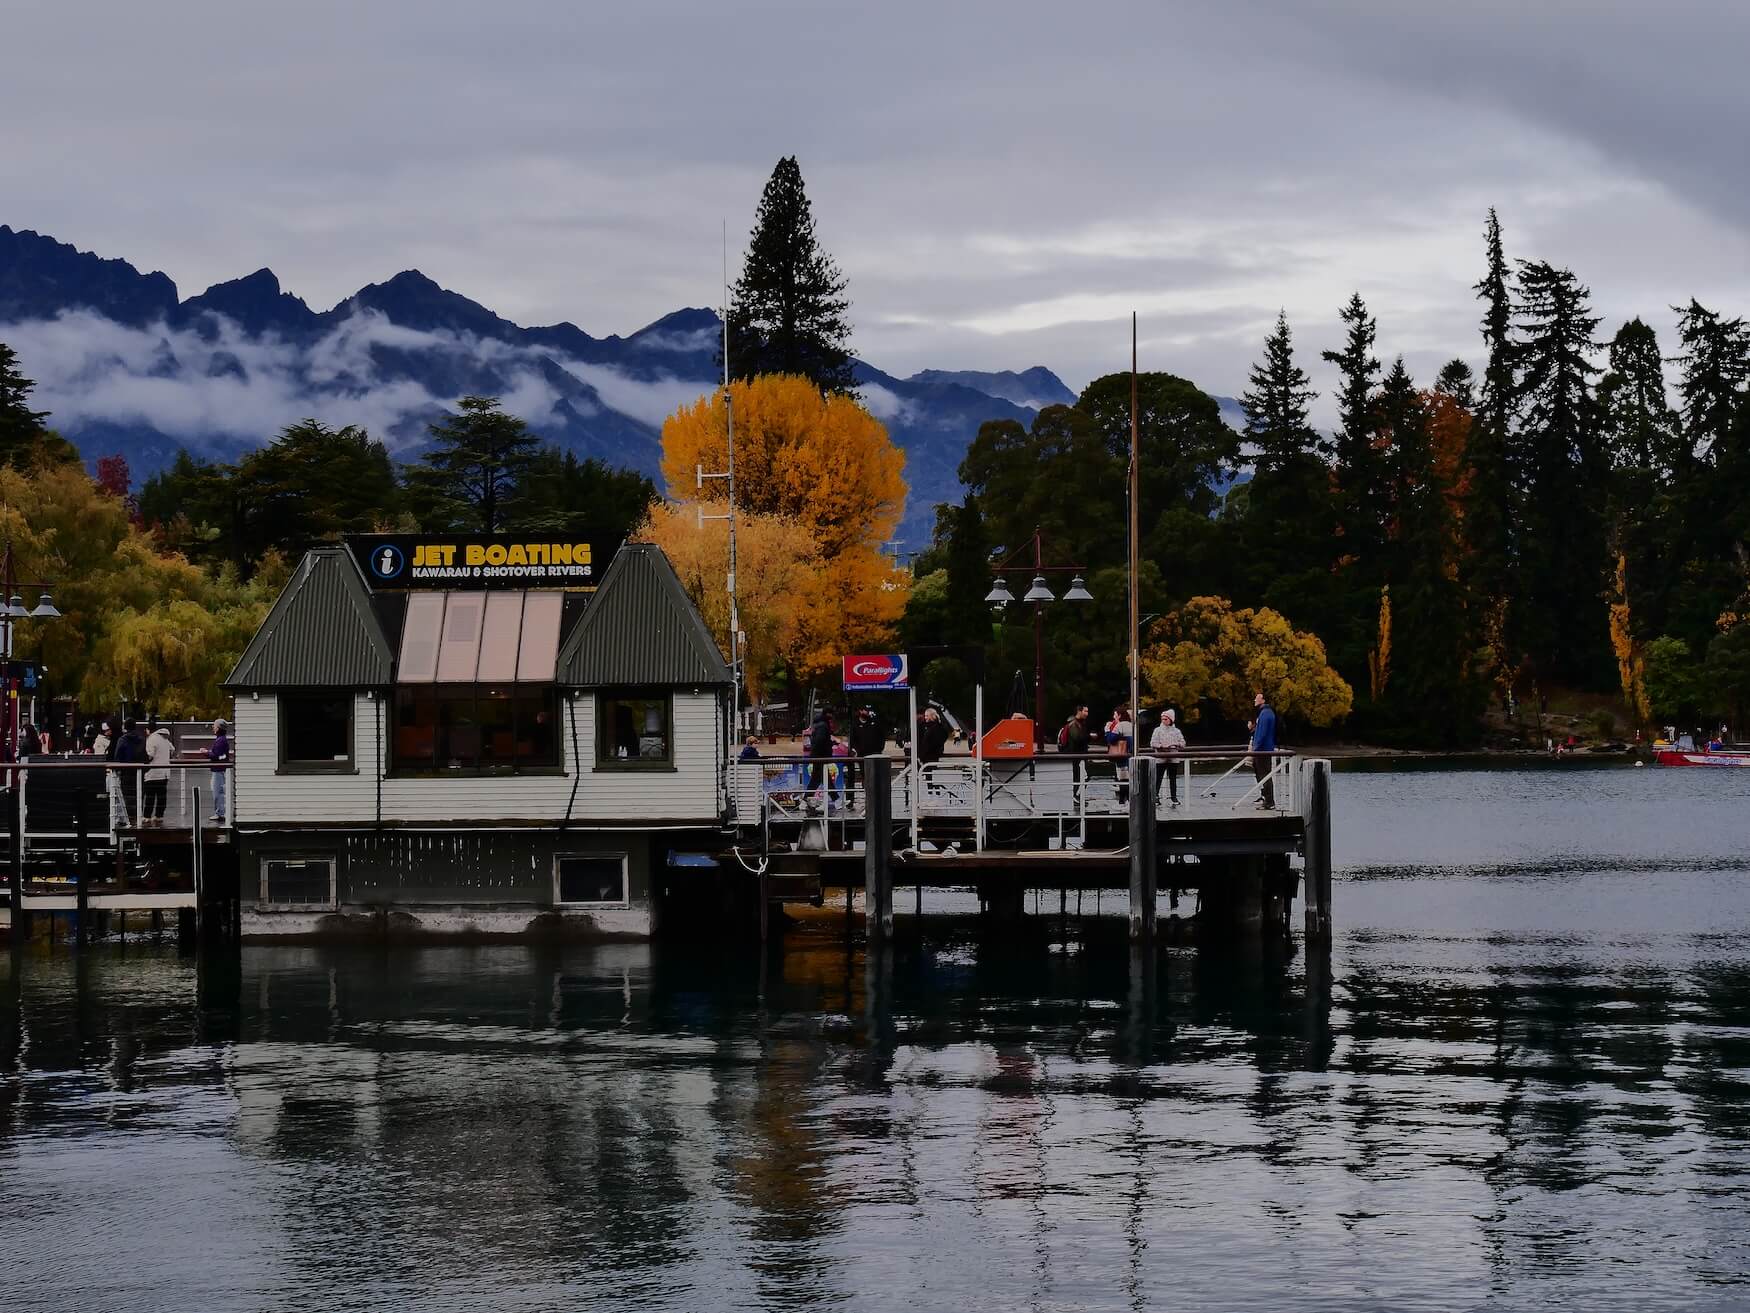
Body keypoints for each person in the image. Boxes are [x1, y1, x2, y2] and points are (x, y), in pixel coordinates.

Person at [112, 719, 147, 826]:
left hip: (126, 770)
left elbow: (117, 755)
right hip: (139, 770)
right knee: (139, 793)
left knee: (126, 794)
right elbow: (145, 756)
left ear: (126, 727)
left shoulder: (122, 740)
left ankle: (128, 818)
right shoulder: (142, 739)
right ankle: (138, 816)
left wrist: (118, 768)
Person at [1150, 707, 1186, 808]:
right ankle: (1156, 796)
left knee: (1173, 779)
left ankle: (1173, 797)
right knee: (1158, 778)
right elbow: (1152, 743)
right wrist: (1161, 746)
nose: (1163, 721)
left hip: (1173, 757)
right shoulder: (1157, 730)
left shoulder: (1176, 731)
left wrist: (1175, 744)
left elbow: (1183, 743)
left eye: (1166, 719)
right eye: (1162, 719)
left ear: (1171, 720)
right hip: (1161, 758)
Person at [1250, 691, 1277, 809]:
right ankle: (1265, 798)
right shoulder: (1265, 713)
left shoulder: (1266, 714)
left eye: (1257, 698)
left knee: (1264, 774)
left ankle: (1269, 801)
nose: (1255, 700)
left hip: (1263, 750)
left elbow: (1263, 733)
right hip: (1262, 749)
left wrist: (1255, 748)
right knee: (1261, 773)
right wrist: (1252, 729)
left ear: (1264, 700)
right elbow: (1260, 732)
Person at [144, 722, 175, 826]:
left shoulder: (151, 739)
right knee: (162, 795)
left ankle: (147, 816)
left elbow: (150, 755)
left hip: (153, 772)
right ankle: (159, 816)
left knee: (150, 796)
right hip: (165, 772)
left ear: (148, 730)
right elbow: (172, 749)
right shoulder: (165, 739)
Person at [805, 710, 835, 809]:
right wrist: (830, 744)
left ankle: (806, 799)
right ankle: (836, 799)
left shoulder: (819, 725)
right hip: (820, 756)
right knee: (819, 778)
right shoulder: (823, 726)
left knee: (818, 778)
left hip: (818, 756)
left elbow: (818, 740)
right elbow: (820, 741)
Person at [1105, 705, 1133, 805]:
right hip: (1131, 755)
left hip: (1122, 755)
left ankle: (1122, 802)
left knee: (1123, 779)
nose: (1113, 716)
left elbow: (1111, 739)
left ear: (1119, 715)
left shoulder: (1120, 726)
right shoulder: (1131, 725)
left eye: (1115, 714)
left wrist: (1107, 730)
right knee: (1129, 779)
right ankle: (1129, 801)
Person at [209, 718, 232, 822]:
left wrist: (206, 753)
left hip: (218, 769)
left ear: (218, 728)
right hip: (220, 769)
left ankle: (220, 813)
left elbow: (218, 756)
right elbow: (222, 756)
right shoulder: (222, 739)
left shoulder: (220, 740)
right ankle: (220, 812)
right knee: (219, 792)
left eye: (214, 726)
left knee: (217, 792)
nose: (213, 727)